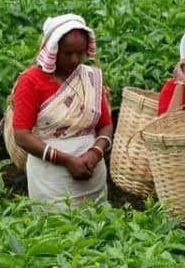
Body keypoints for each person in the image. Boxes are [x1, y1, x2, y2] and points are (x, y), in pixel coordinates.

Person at [10, 14, 114, 208]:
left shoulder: (90, 78)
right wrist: (66, 160)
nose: (75, 59)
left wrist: (95, 153)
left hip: (92, 173)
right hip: (51, 177)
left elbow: (105, 125)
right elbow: (22, 135)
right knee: (54, 230)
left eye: (80, 53)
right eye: (67, 53)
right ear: (53, 50)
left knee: (98, 230)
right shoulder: (31, 81)